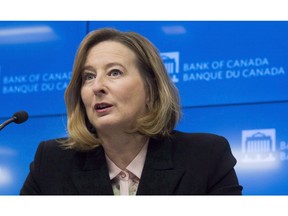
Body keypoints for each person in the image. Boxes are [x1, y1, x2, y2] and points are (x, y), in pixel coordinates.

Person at [20, 28, 243, 195]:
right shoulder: (51, 162)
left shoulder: (206, 157)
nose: (97, 86)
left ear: (151, 89)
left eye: (114, 72)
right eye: (88, 76)